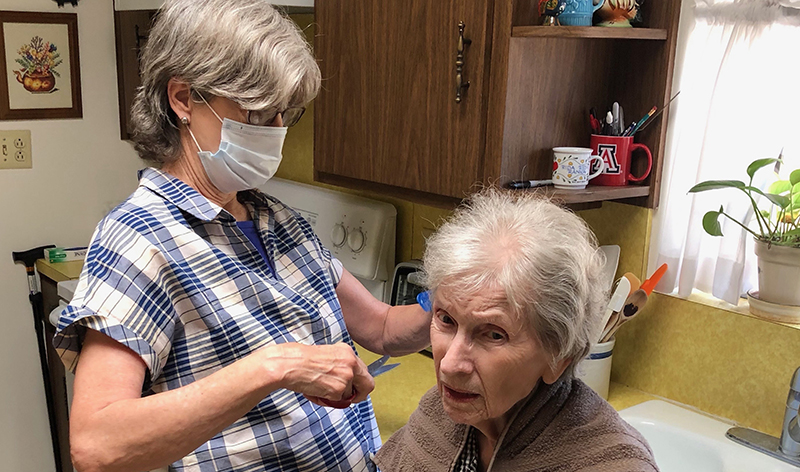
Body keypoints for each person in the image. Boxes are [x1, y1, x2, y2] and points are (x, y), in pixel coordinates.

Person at [52, 1, 430, 471]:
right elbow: (97, 447)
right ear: (183, 99)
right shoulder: (139, 240)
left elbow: (382, 328)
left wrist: (448, 305)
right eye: (256, 112)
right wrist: (276, 366)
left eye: (284, 115)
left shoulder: (278, 219)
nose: (274, 134)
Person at [374, 189, 658, 472]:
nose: (449, 365)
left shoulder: (611, 464)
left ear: (558, 359)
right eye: (446, 320)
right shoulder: (435, 417)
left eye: (494, 335)